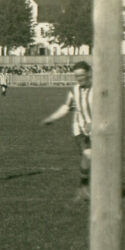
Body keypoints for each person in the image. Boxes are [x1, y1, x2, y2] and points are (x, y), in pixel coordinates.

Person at [41, 61, 93, 202]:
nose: (79, 78)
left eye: (82, 75)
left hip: (97, 129)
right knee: (88, 154)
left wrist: (95, 123)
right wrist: (51, 118)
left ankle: (88, 187)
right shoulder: (74, 90)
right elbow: (66, 107)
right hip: (80, 129)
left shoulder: (99, 89)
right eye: (76, 76)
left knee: (96, 158)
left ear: (89, 73)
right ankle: (83, 188)